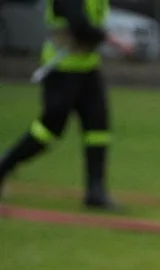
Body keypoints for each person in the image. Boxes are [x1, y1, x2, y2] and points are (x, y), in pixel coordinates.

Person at [0, 0, 132, 209]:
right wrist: (111, 39)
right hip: (62, 70)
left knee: (98, 127)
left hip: (88, 69)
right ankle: (4, 165)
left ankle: (95, 191)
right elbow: (80, 26)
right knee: (50, 129)